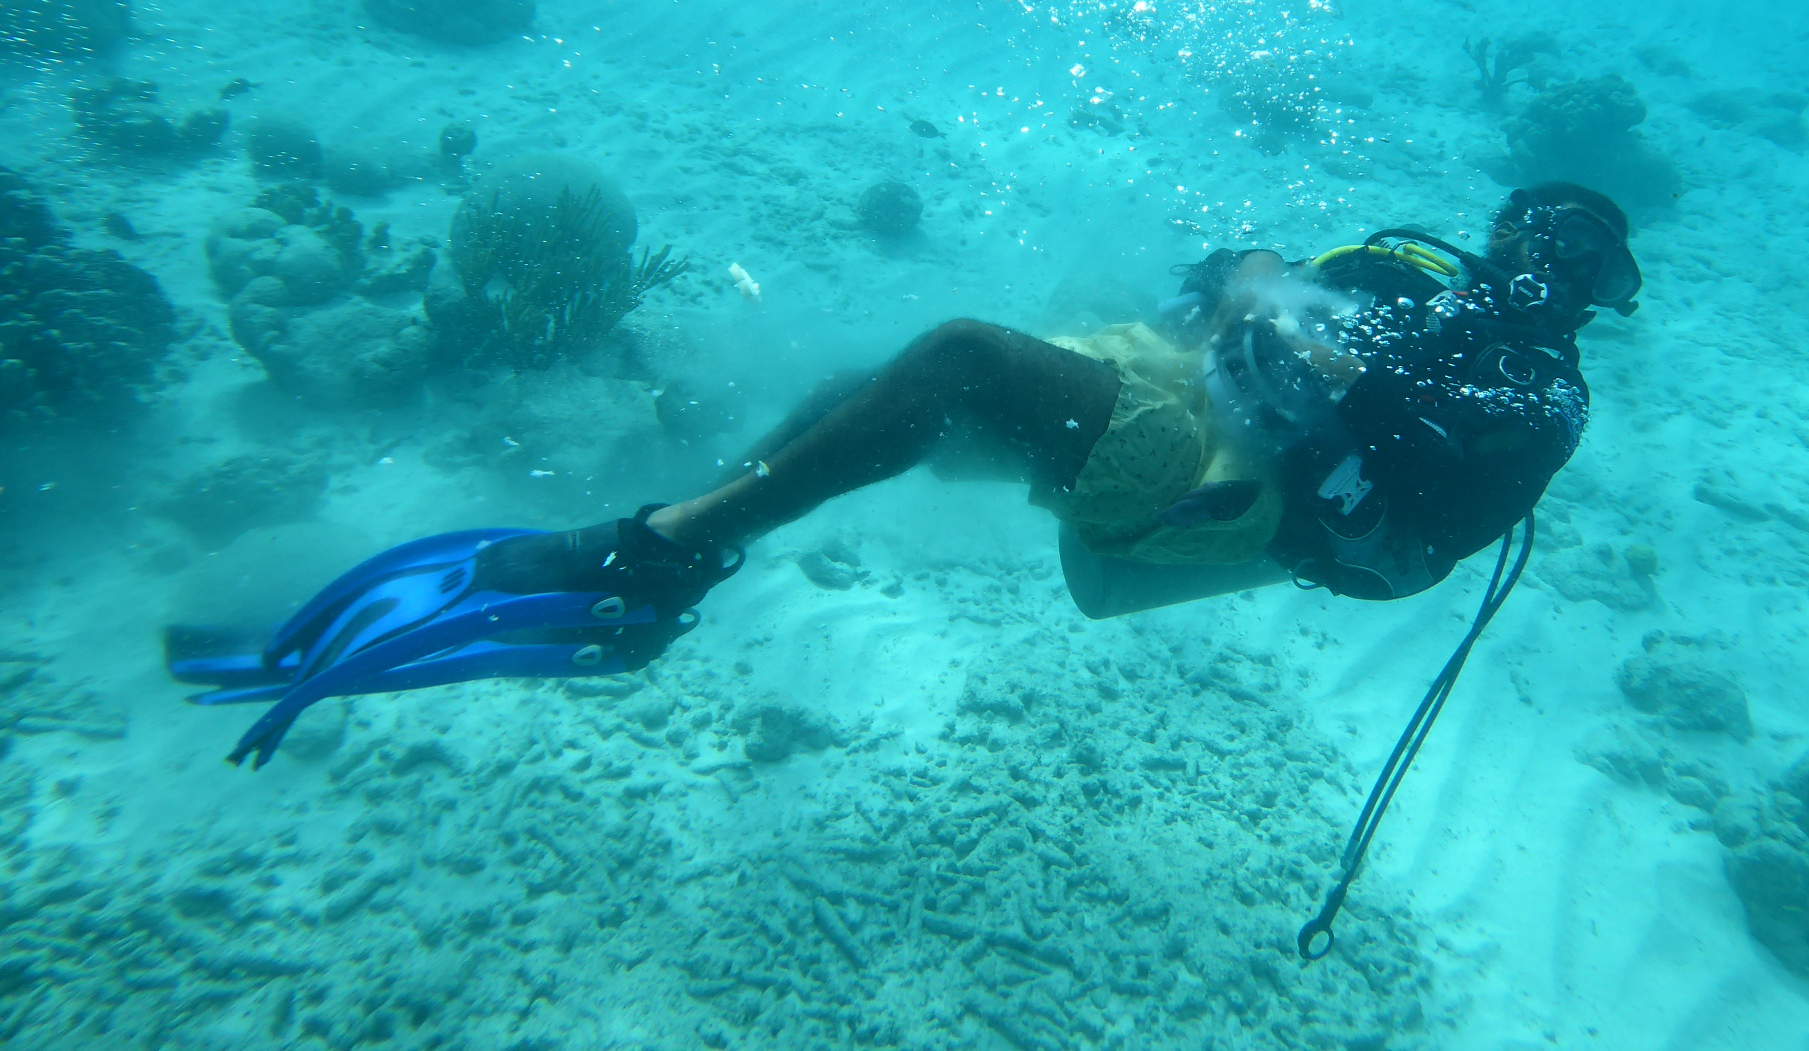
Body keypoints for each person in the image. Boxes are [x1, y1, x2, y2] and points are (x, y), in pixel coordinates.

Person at [173, 182, 1641, 769]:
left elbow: (1418, 468)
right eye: (1536, 224)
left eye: (1577, 251)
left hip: (1236, 481)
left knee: (954, 359)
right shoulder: (1411, 259)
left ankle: (659, 553)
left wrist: (1308, 342)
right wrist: (1247, 271)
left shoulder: (1544, 387)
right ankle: (675, 556)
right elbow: (1221, 283)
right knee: (873, 393)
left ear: (1596, 288)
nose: (1542, 253)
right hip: (1176, 381)